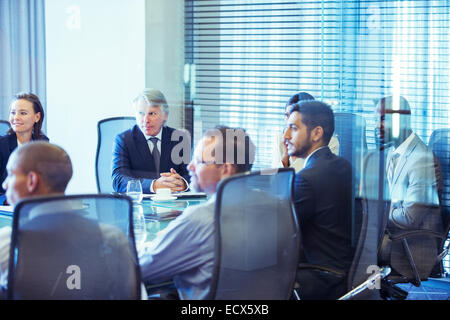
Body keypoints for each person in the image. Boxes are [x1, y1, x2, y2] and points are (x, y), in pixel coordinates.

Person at [0, 142, 140, 298]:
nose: (5, 184)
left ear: (32, 180)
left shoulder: (8, 242)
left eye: (11, 174)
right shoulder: (112, 237)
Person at [139, 125, 255, 300]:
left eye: (199, 161)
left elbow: (142, 267)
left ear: (226, 169)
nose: (190, 166)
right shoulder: (275, 206)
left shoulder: (200, 219)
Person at [283, 100, 354, 300]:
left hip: (320, 277)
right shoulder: (342, 165)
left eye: (294, 128)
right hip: (340, 269)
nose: (286, 136)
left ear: (316, 133)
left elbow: (280, 229)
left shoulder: (307, 178)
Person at [373, 96, 443, 271]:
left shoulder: (422, 159)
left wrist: (376, 212)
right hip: (392, 236)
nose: (376, 126)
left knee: (347, 245)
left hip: (411, 246)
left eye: (382, 119)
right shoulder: (391, 151)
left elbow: (409, 218)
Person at [112, 89, 190, 194]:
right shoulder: (124, 140)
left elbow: (190, 174)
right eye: (141, 113)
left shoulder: (179, 138)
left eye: (152, 113)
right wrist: (154, 185)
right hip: (140, 205)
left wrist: (183, 183)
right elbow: (118, 180)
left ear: (165, 115)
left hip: (173, 204)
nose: (145, 120)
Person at [271, 91, 339, 172]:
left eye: (293, 116)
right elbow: (274, 177)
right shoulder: (281, 138)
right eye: (287, 116)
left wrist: (295, 155)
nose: (289, 121)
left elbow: (312, 176)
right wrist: (285, 158)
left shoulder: (330, 143)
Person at [0, 93, 48, 199]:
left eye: (23, 113)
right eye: (13, 113)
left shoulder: (43, 144)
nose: (16, 117)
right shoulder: (2, 145)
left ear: (37, 117)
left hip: (34, 202)